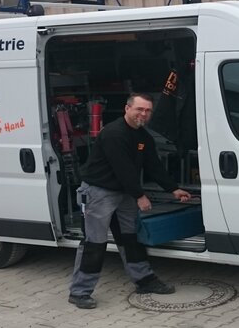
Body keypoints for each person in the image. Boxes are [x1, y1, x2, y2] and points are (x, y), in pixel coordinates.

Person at [68, 93, 192, 309]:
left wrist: (173, 189)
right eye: (139, 109)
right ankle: (79, 292)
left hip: (124, 192)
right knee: (94, 243)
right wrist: (139, 196)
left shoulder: (143, 137)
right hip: (99, 193)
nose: (143, 114)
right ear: (127, 109)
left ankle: (144, 281)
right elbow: (123, 168)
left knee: (130, 239)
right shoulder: (114, 134)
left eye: (147, 110)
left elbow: (153, 165)